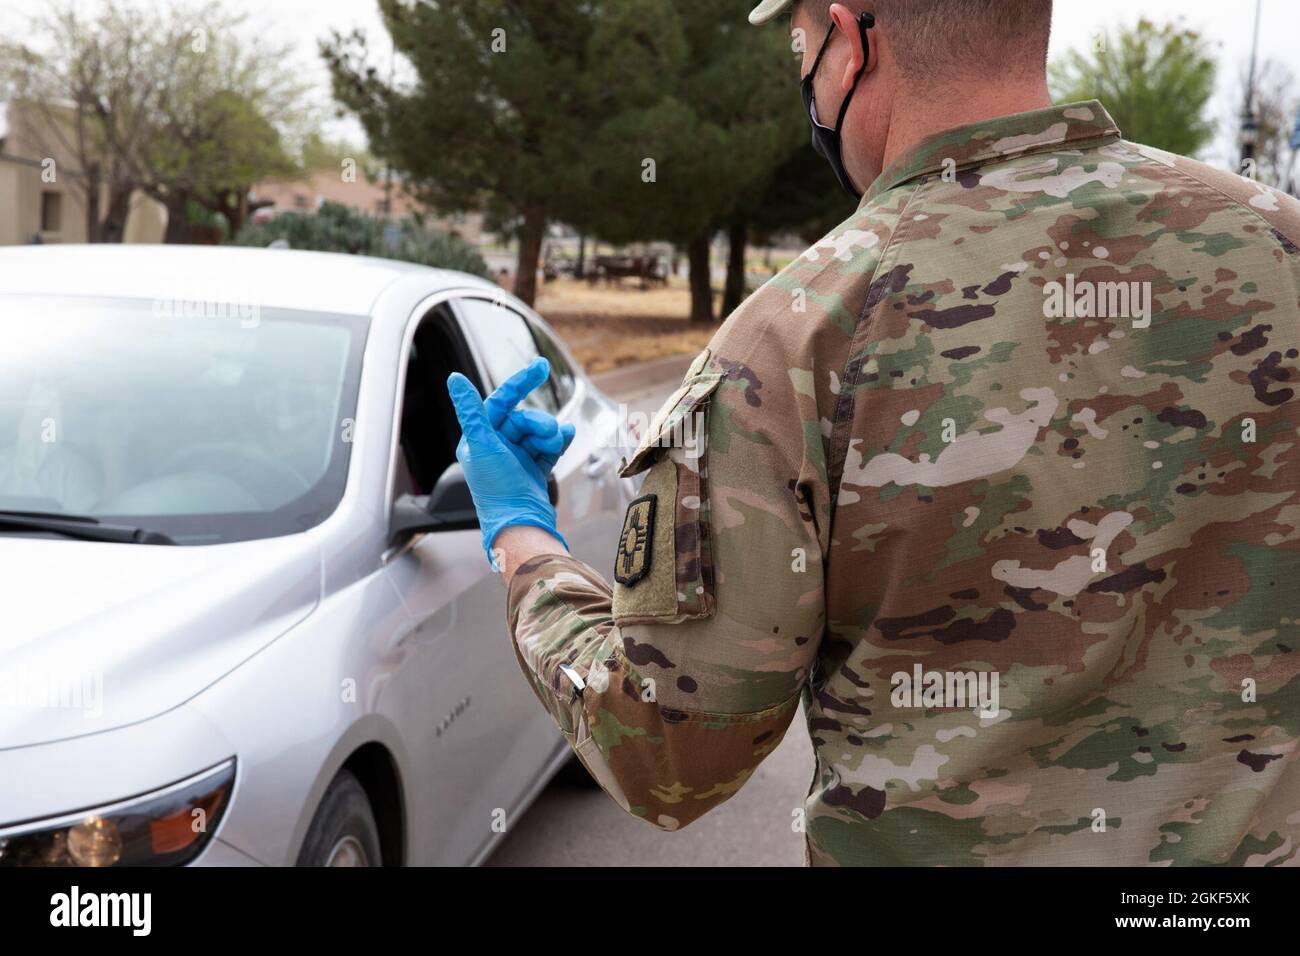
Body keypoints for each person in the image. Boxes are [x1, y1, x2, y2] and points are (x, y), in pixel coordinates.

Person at [448, 0, 1300, 866]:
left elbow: (671, 751)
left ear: (850, 46)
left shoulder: (797, 337)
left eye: (802, 51)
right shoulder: (1281, 244)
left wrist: (524, 543)